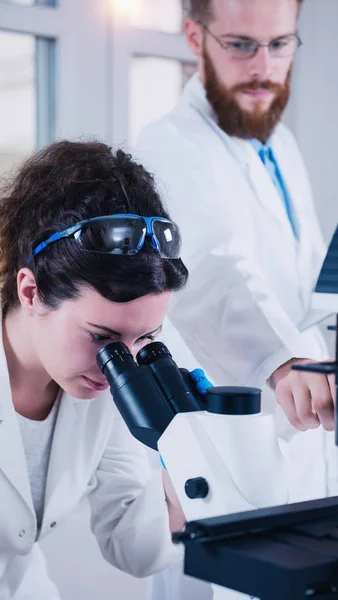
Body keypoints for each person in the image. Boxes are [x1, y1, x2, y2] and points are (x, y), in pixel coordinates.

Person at [136, 1, 338, 596]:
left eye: (281, 45)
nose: (264, 67)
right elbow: (211, 271)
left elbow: (307, 285)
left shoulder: (278, 145)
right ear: (195, 37)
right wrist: (282, 360)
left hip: (299, 439)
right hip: (230, 451)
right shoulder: (169, 144)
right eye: (241, 45)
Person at [0, 140, 189, 599]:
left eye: (144, 340)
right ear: (30, 292)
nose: (116, 366)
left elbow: (136, 548)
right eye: (101, 338)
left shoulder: (99, 389)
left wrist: (189, 455)